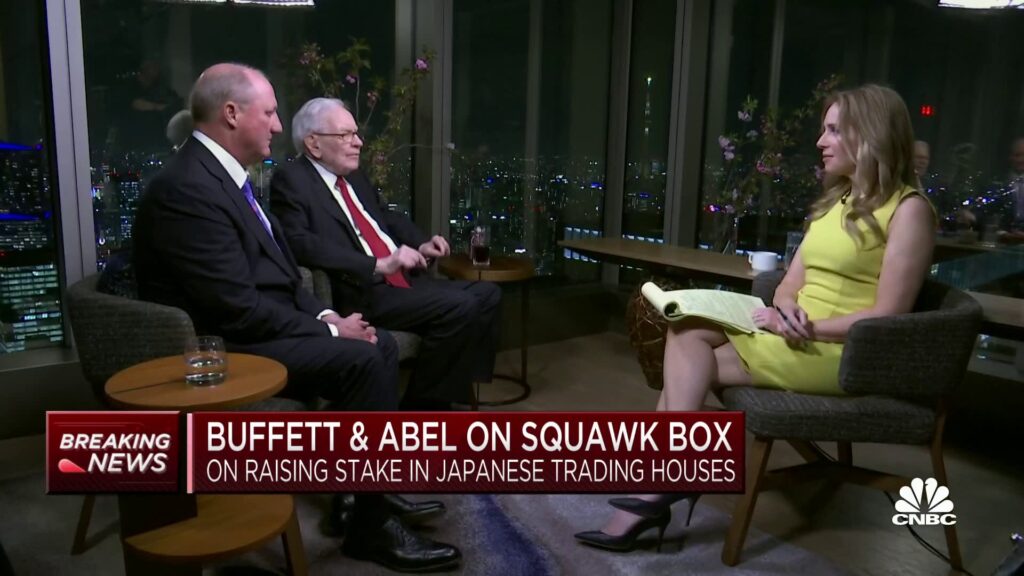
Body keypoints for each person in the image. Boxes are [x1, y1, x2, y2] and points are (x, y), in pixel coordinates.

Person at [575, 84, 936, 552]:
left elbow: (889, 315)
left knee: (685, 363)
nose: (820, 142)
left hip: (844, 354)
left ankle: (658, 487)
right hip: (793, 334)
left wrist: (807, 327)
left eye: (832, 131)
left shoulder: (909, 211)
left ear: (868, 136)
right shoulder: (836, 203)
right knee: (686, 331)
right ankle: (665, 482)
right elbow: (789, 282)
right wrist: (785, 308)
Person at [133, 63, 461, 573]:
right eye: (269, 113)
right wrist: (331, 329)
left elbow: (285, 278)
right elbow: (234, 308)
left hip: (258, 323)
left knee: (377, 343)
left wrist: (329, 313)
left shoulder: (228, 178)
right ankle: (370, 529)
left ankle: (360, 494)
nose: (279, 125)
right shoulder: (187, 189)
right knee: (364, 356)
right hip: (219, 347)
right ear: (231, 114)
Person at [270, 97, 501, 410]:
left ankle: (449, 389)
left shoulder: (354, 176)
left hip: (402, 280)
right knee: (461, 306)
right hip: (364, 290)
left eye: (356, 134)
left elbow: (386, 216)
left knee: (487, 293)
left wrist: (421, 243)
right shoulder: (292, 179)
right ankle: (424, 408)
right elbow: (298, 242)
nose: (358, 142)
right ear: (314, 143)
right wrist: (376, 264)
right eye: (345, 135)